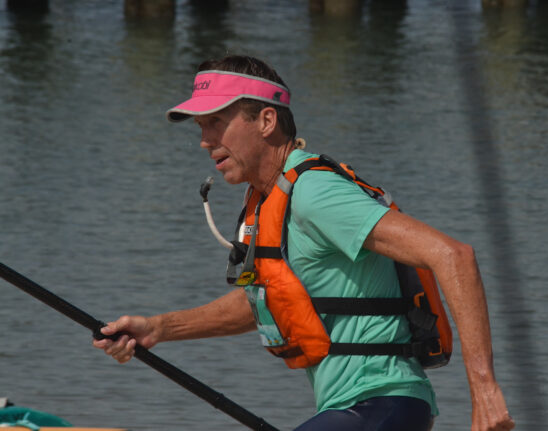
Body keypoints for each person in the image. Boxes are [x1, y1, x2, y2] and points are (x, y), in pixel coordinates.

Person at [93, 55, 515, 431]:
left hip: (384, 404)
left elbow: (453, 256)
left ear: (266, 121)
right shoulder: (269, 200)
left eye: (216, 122)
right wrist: (159, 328)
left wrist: (484, 390)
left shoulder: (315, 193)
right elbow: (262, 303)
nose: (205, 140)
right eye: (201, 127)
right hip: (358, 410)